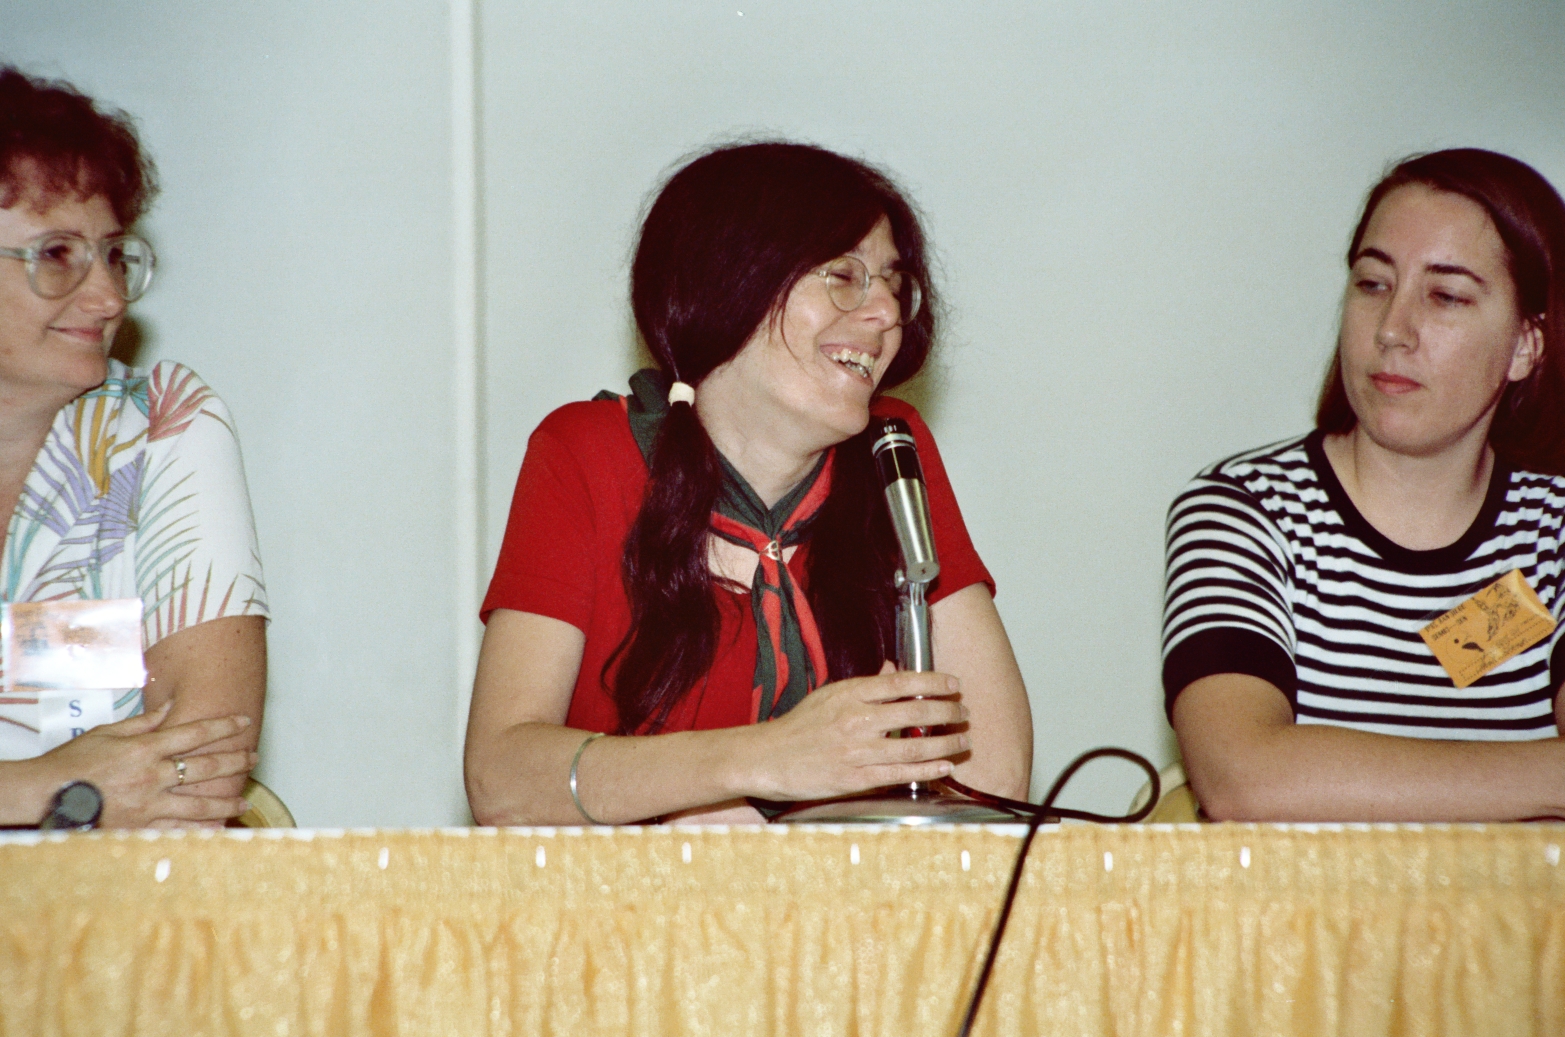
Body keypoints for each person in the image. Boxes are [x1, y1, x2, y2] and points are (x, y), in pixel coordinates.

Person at [466, 141, 1032, 825]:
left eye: (891, 281)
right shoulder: (585, 452)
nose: (884, 311)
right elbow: (500, 779)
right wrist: (763, 758)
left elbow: (994, 776)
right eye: (844, 275)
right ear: (731, 280)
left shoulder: (893, 446)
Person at [1164, 148, 1565, 822]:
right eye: (1372, 283)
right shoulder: (1239, 511)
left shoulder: (1551, 530)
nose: (1390, 330)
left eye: (1445, 295)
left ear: (1528, 344)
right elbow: (1242, 777)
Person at [0, 68, 268, 828]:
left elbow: (201, 770)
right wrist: (47, 787)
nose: (109, 297)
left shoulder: (164, 432)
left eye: (114, 254)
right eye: (56, 255)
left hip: (110, 919)